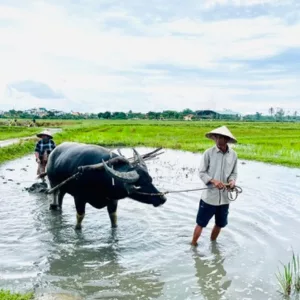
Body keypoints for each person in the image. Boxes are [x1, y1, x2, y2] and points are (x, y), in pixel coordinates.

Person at [191, 125, 238, 246]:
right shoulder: (208, 153)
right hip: (209, 198)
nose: (217, 139)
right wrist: (213, 180)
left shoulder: (233, 155)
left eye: (220, 137)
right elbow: (201, 172)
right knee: (201, 223)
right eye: (215, 137)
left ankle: (213, 245)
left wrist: (232, 181)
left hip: (224, 198)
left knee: (220, 224)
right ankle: (193, 244)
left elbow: (234, 172)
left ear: (226, 139)